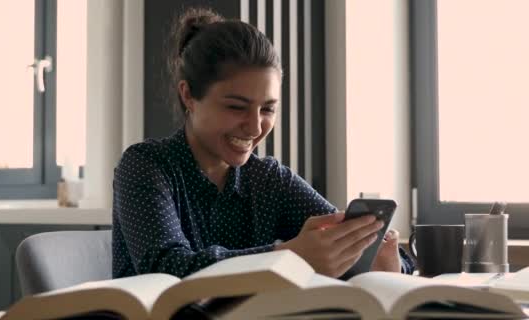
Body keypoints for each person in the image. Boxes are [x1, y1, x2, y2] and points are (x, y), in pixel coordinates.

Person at [112, 7, 414, 279]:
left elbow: (382, 257)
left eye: (267, 109)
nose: (256, 126)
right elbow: (168, 269)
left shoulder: (270, 181)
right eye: (236, 107)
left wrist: (385, 260)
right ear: (188, 95)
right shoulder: (146, 166)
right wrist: (289, 258)